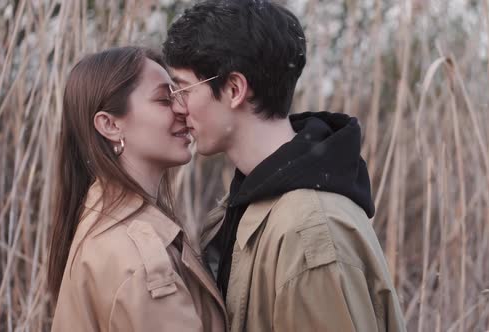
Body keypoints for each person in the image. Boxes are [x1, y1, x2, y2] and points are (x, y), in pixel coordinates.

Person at [163, 1, 406, 331]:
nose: (177, 107)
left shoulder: (308, 232)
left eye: (182, 89)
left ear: (234, 89)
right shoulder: (252, 200)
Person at [47, 46, 227, 331]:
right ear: (110, 124)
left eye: (178, 94)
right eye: (164, 99)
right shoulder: (140, 260)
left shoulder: (103, 219)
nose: (182, 108)